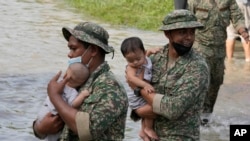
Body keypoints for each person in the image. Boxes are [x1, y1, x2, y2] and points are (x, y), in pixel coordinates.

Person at [32, 22, 129, 140]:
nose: (69, 54)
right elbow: (46, 116)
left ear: (93, 50)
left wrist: (55, 96)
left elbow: (87, 130)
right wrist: (40, 128)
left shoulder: (110, 87)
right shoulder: (75, 78)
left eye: (74, 48)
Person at [127, 9, 210, 140]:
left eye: (192, 32)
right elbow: (133, 77)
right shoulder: (155, 58)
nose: (189, 37)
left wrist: (138, 88)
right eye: (182, 32)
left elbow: (172, 109)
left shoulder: (197, 67)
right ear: (168, 34)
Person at [188, 0, 250, 124]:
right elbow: (188, 20)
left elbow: (237, 16)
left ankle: (206, 114)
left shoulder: (228, 1)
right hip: (200, 48)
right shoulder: (195, 1)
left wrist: (243, 30)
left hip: (219, 51)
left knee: (216, 82)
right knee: (201, 81)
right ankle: (193, 114)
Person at [37, 62, 90, 141]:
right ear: (80, 83)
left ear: (65, 75)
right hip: (55, 118)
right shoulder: (72, 92)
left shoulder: (57, 83)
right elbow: (74, 104)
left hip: (44, 112)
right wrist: (82, 95)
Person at [120, 37, 158, 141]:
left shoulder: (144, 59)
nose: (135, 62)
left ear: (144, 52)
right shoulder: (131, 68)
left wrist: (151, 51)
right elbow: (131, 79)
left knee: (150, 106)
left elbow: (146, 57)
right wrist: (145, 85)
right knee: (152, 108)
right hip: (135, 97)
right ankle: (148, 128)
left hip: (141, 94)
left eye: (138, 59)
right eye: (130, 60)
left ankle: (142, 131)